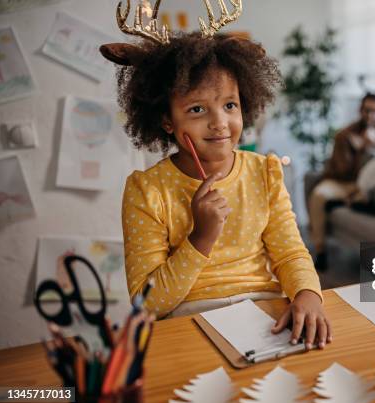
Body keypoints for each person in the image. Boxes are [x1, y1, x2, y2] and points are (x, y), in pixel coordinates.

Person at [101, 30, 331, 349]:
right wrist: (201, 237)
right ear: (168, 119)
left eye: (229, 105)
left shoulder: (264, 171)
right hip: (187, 326)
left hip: (265, 315)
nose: (219, 122)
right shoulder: (147, 190)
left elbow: (289, 251)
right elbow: (147, 303)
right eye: (197, 109)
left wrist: (307, 294)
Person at [308, 93, 375, 269]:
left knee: (368, 197)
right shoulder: (344, 135)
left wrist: (374, 145)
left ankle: (343, 202)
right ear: (360, 110)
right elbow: (342, 171)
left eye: (374, 111)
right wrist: (360, 148)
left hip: (364, 185)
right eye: (367, 110)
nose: (370, 115)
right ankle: (321, 251)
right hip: (342, 182)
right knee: (319, 196)